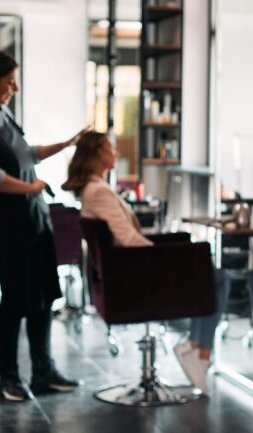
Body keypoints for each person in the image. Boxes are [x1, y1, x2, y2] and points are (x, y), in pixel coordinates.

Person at [0, 50, 85, 402]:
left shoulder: (3, 113)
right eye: (9, 80)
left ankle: (43, 373)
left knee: (43, 296)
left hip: (33, 217)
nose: (15, 86)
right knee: (15, 299)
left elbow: (26, 153)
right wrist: (32, 187)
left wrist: (66, 144)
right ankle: (8, 379)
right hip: (6, 222)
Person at [61, 131, 225, 392]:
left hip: (128, 270)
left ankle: (195, 347)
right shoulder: (98, 191)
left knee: (212, 275)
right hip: (134, 276)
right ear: (96, 154)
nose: (115, 153)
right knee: (216, 277)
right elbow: (128, 238)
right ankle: (197, 351)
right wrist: (169, 258)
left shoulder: (94, 188)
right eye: (110, 148)